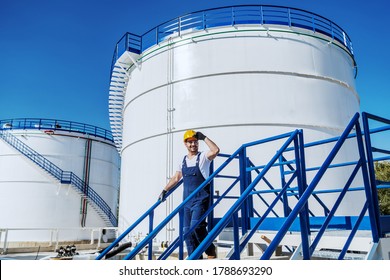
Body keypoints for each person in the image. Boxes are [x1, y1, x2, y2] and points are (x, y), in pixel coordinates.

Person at [158, 130, 220, 259]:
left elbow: (215, 151)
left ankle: (210, 250)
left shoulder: (203, 157)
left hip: (201, 198)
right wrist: (164, 190)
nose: (193, 144)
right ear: (185, 144)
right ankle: (195, 258)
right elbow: (176, 178)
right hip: (187, 201)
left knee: (196, 227)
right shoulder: (183, 160)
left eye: (195, 142)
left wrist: (204, 137)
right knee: (187, 231)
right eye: (190, 142)